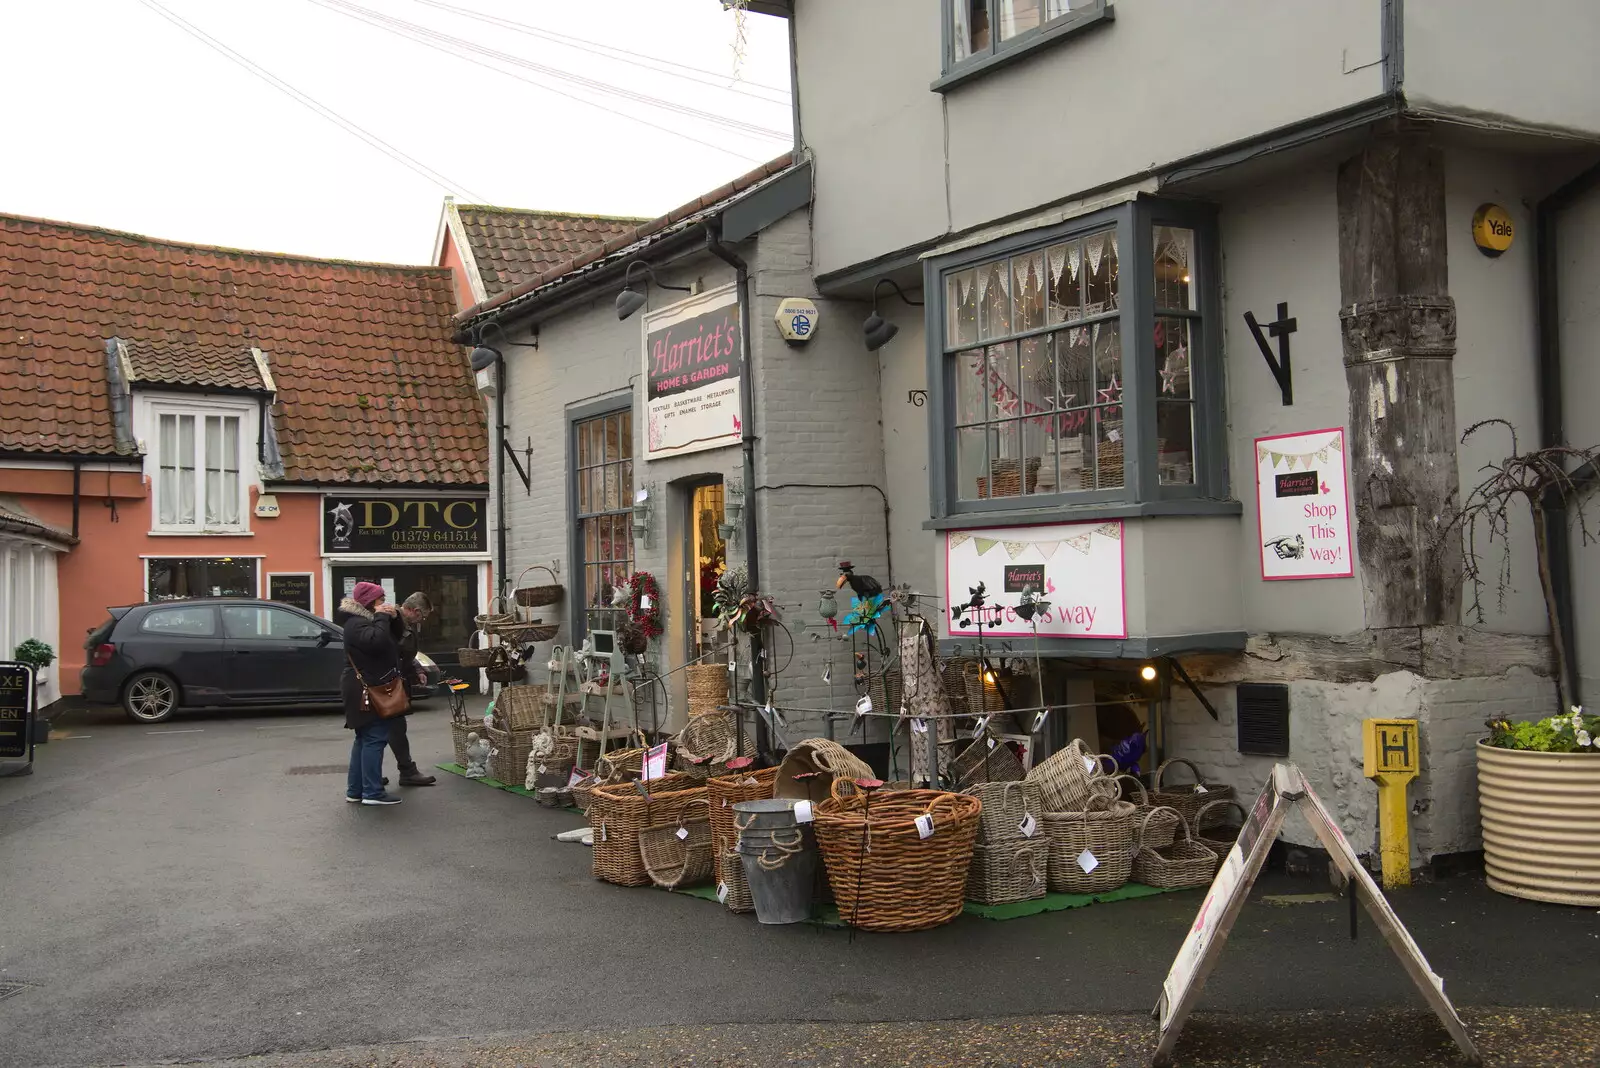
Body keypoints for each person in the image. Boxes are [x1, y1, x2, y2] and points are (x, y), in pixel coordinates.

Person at [340, 581, 404, 806]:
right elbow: (377, 642)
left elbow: (393, 638)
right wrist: (382, 617)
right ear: (369, 602)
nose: (383, 603)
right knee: (374, 737)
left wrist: (394, 617)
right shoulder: (356, 624)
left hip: (364, 686)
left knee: (364, 738)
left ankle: (356, 790)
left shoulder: (365, 622)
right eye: (379, 600)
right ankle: (372, 792)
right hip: (365, 689)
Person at [389, 591, 437, 787]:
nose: (422, 620)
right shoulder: (393, 623)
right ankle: (406, 772)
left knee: (385, 729)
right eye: (423, 616)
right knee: (393, 728)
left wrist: (417, 669)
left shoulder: (403, 624)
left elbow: (405, 654)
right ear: (415, 611)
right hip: (389, 684)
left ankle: (370, 773)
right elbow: (393, 653)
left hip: (393, 682)